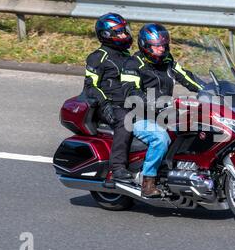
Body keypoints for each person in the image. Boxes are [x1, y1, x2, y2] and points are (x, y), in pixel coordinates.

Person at [121, 23, 204, 197]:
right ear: (145, 45)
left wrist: (208, 89)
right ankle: (148, 181)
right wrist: (156, 104)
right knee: (160, 138)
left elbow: (187, 77)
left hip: (164, 113)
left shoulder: (168, 61)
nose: (161, 48)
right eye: (157, 45)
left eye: (164, 45)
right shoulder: (133, 64)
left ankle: (193, 173)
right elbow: (131, 93)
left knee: (197, 125)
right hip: (139, 116)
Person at [83, 13, 134, 183]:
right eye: (119, 32)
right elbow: (91, 86)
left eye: (124, 31)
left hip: (127, 102)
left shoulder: (127, 57)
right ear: (107, 35)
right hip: (106, 106)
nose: (124, 35)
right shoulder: (98, 57)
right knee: (126, 120)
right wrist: (105, 105)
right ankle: (117, 168)